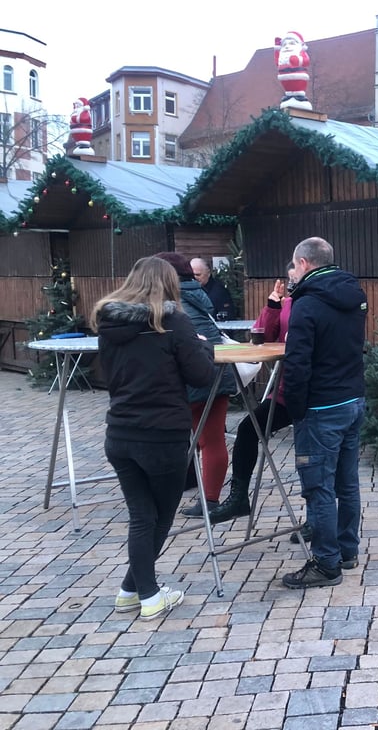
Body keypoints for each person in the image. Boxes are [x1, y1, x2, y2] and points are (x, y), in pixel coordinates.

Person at [91, 256, 216, 620]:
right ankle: (148, 595)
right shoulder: (173, 321)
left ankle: (130, 590)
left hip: (120, 434)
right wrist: (203, 345)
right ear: (167, 284)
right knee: (158, 517)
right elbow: (201, 375)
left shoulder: (107, 322)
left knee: (141, 515)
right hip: (162, 434)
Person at [280, 237, 367, 589]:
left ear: (302, 263)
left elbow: (297, 363)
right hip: (353, 399)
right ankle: (347, 551)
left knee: (318, 487)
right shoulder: (353, 293)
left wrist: (295, 409)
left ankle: (326, 563)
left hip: (321, 406)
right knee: (347, 483)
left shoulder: (307, 303)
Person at [207, 263, 298, 525]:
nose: (291, 285)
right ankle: (238, 499)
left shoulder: (313, 305)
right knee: (248, 429)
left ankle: (317, 519)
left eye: (295, 279)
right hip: (285, 392)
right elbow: (261, 335)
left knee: (309, 454)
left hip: (310, 394)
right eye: (289, 280)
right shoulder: (286, 304)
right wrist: (272, 307)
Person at [155, 252, 235, 517]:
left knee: (170, 440)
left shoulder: (170, 305)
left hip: (188, 381)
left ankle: (160, 497)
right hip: (216, 374)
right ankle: (210, 500)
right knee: (212, 440)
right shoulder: (198, 297)